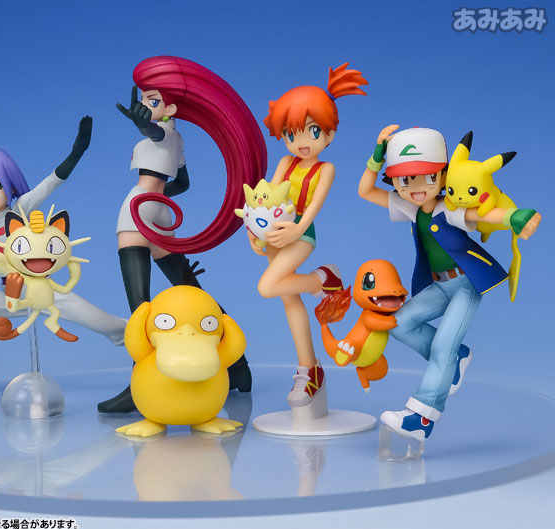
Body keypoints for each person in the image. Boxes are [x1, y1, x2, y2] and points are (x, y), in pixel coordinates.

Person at [98, 56, 267, 413]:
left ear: (171, 108)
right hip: (158, 211)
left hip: (137, 210)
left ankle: (139, 384)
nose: (145, 106)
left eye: (153, 100)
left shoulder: (162, 133)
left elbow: (153, 132)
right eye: (144, 99)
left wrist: (144, 124)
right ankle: (238, 365)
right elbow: (183, 183)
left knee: (140, 307)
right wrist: (160, 198)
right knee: (192, 289)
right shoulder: (178, 139)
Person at [358, 125, 541, 440]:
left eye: (428, 177)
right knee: (398, 323)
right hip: (438, 286)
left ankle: (422, 418)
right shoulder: (410, 207)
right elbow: (365, 191)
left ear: (443, 176)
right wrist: (377, 157)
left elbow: (482, 214)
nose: (416, 188)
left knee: (443, 346)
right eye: (405, 180)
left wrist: (513, 217)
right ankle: (455, 357)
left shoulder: (450, 208)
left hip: (465, 286)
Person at [0, 117, 127, 394]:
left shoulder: (22, 208)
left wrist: (76, 153)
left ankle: (145, 348)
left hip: (47, 292)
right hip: (10, 297)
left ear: (9, 183)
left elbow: (52, 182)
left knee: (107, 324)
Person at [254, 64, 367, 407]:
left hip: (301, 234)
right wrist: (256, 232)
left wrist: (297, 230)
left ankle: (322, 278)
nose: (302, 142)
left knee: (268, 287)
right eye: (292, 134)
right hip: (275, 232)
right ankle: (310, 369)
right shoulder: (285, 163)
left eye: (312, 131)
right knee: (289, 300)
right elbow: (267, 197)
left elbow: (314, 206)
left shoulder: (325, 168)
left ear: (329, 133)